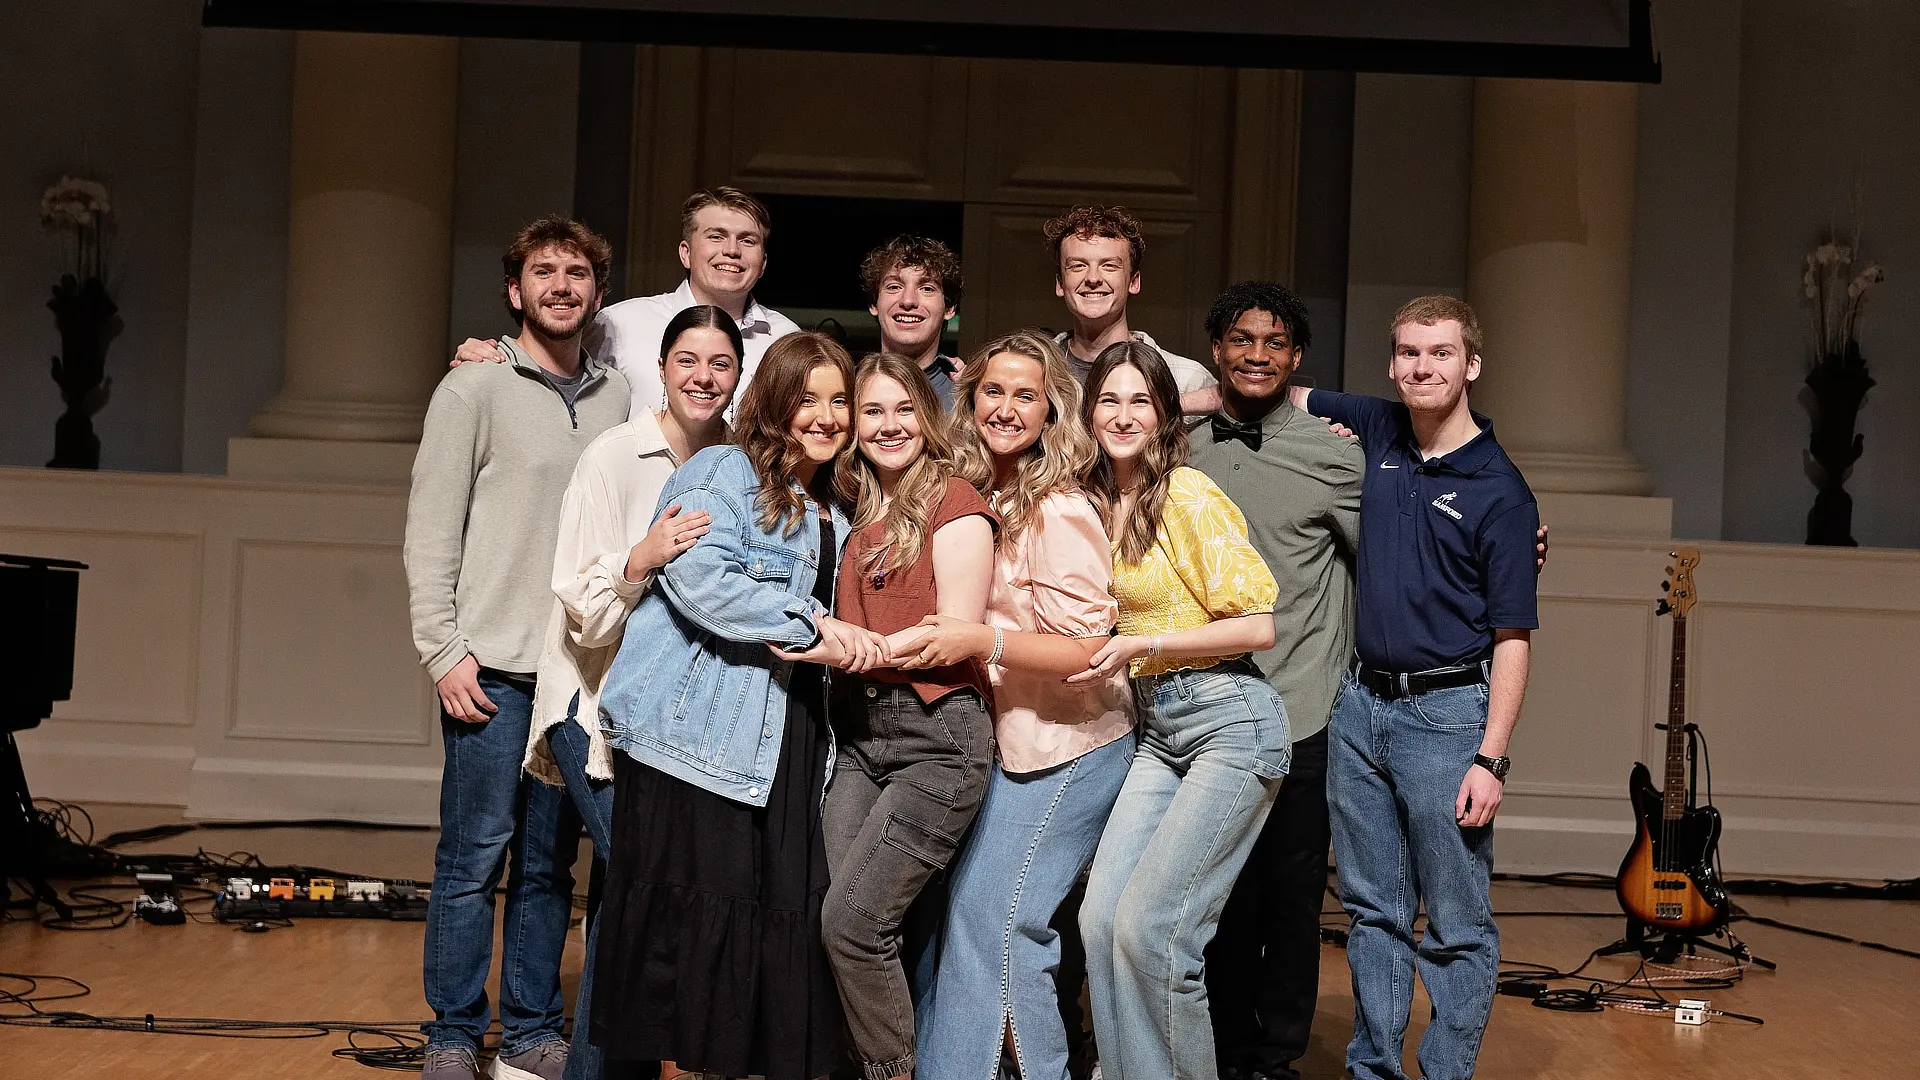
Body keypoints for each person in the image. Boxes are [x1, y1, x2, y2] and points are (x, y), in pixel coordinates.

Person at [589, 333, 885, 1080]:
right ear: (775, 405)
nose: (825, 415)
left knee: (768, 922)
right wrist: (815, 626)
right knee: (691, 929)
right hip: (698, 735)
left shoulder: (843, 504)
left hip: (789, 737)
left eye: (838, 400)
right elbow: (701, 582)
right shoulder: (722, 469)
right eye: (806, 399)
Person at [405, 217, 631, 1080]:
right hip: (490, 670)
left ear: (597, 294)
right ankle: (454, 1034)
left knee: (548, 864)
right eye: (545, 272)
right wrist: (443, 652)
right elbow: (431, 531)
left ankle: (534, 1025)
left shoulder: (616, 400)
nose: (562, 286)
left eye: (579, 273)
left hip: (575, 675)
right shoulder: (473, 389)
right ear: (515, 289)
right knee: (472, 860)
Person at [1290, 295, 1538, 1080]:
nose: (1420, 367)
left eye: (1438, 353)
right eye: (1407, 353)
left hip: (1448, 717)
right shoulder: (1377, 428)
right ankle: (1374, 1072)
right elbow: (1264, 388)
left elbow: (1513, 639)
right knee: (1371, 912)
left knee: (1457, 924)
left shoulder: (1501, 491)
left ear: (1470, 365)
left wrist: (1490, 760)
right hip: (1360, 707)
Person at [898, 330, 1135, 1080]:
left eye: (1024, 395)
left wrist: (979, 639)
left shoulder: (1060, 507)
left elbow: (1087, 650)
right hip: (1008, 745)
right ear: (969, 402)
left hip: (1071, 746)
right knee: (968, 921)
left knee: (1003, 927)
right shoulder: (971, 493)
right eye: (992, 391)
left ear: (1050, 411)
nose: (1005, 408)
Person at [524, 305, 742, 1080]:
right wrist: (643, 555)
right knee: (650, 895)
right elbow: (581, 610)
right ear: (664, 367)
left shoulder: (735, 466)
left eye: (720, 364)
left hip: (673, 727)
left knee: (627, 906)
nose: (703, 378)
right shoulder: (615, 456)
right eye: (689, 361)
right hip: (594, 715)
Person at [1071, 341, 1287, 1080]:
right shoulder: (1095, 501)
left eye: (1140, 400)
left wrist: (1142, 644)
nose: (1123, 415)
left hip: (1230, 719)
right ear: (1089, 410)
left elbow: (1259, 625)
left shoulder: (1186, 494)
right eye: (1109, 399)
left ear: (1165, 413)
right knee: (1102, 924)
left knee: (1156, 933)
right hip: (1159, 730)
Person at [1183, 281, 1361, 1080]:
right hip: (1204, 710)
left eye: (1275, 343)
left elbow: (1394, 552)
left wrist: (1513, 542)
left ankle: (1278, 1056)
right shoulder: (1176, 445)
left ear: (1296, 359)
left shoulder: (1334, 452)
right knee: (1217, 896)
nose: (1257, 354)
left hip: (1301, 707)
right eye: (1242, 340)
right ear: (1217, 350)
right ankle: (1220, 1052)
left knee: (1292, 903)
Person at [822, 353, 998, 1080]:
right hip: (863, 739)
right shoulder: (855, 508)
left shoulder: (954, 501)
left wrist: (848, 647)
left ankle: (894, 1073)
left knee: (853, 926)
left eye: (903, 410)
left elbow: (952, 630)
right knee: (847, 919)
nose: (888, 426)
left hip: (938, 737)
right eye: (873, 412)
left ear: (926, 419)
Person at [455, 187, 799, 417]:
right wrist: (490, 357)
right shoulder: (620, 323)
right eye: (716, 236)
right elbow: (552, 369)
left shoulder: (787, 340)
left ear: (764, 261)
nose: (732, 250)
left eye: (747, 240)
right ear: (685, 252)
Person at [1043, 205, 1217, 398]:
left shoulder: (1186, 381)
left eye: (1109, 266)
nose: (1093, 278)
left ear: (1133, 282)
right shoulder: (1034, 373)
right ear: (1060, 284)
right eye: (1078, 266)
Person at [860, 235, 965, 409]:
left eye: (926, 288)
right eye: (894, 287)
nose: (908, 301)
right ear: (874, 303)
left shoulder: (969, 396)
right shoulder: (846, 390)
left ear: (949, 308)